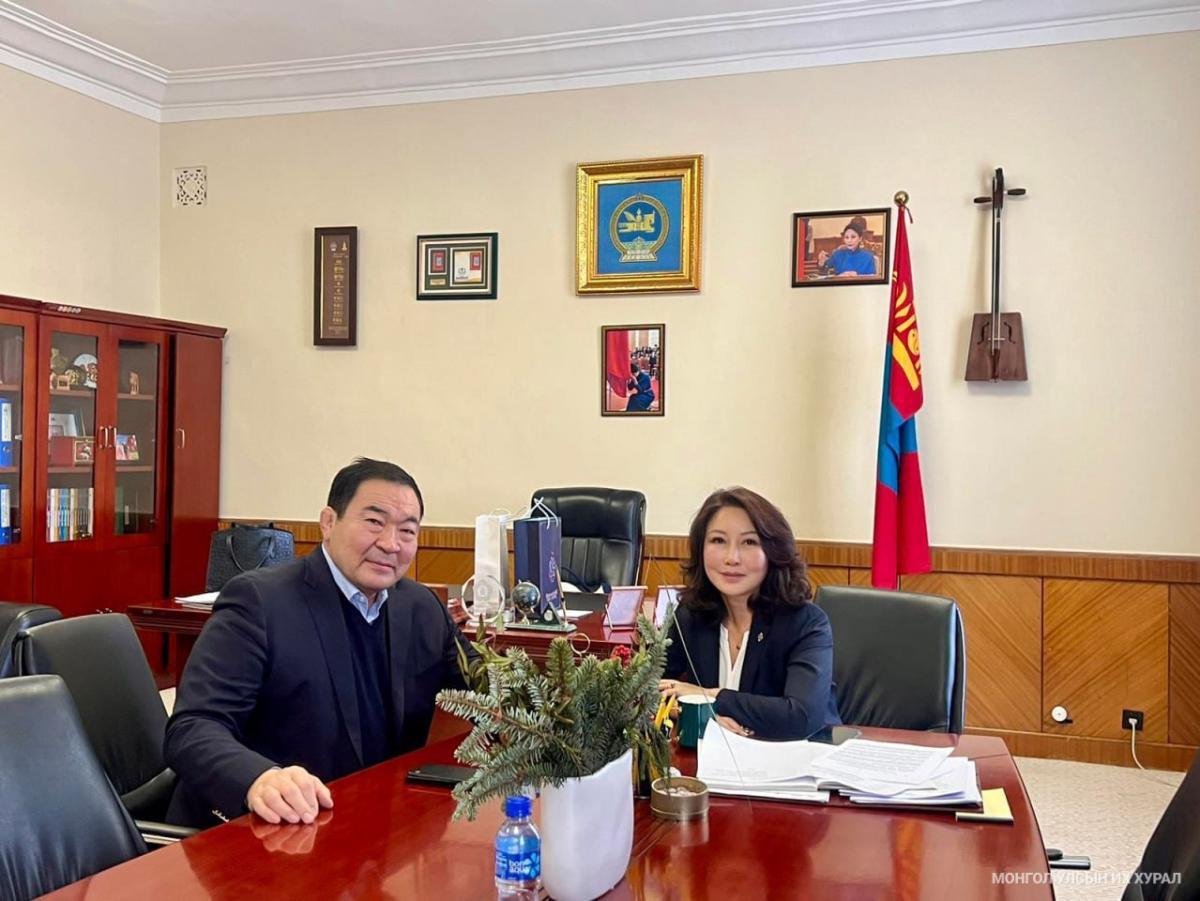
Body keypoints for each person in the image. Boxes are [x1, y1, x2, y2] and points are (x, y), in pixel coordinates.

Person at [164, 457, 476, 828]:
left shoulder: (421, 607)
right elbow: (193, 727)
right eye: (374, 522)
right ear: (328, 522)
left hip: (370, 823)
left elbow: (488, 691)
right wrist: (259, 779)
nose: (391, 544)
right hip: (265, 828)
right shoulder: (259, 602)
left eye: (407, 531)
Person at [659, 487, 840, 740]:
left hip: (798, 757)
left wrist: (712, 696)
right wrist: (705, 715)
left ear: (773, 552)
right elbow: (648, 689)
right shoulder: (692, 615)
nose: (732, 558)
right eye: (718, 540)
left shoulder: (806, 623)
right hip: (714, 759)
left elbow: (801, 717)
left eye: (749, 542)